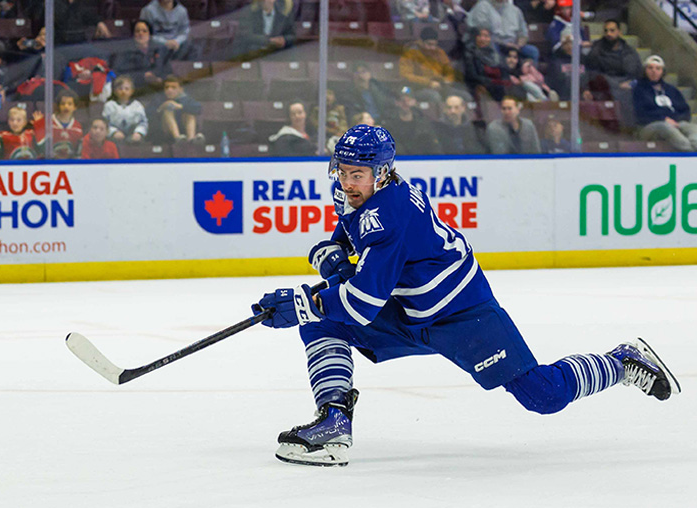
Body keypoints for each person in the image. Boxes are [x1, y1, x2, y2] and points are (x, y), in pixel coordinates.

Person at [249, 124, 680, 467]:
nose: (346, 182)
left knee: (543, 396)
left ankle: (622, 361)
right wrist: (335, 252)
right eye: (341, 171)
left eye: (356, 174)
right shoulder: (365, 193)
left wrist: (306, 298)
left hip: (463, 316)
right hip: (409, 309)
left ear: (381, 173)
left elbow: (361, 304)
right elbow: (350, 229)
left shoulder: (391, 215)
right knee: (322, 324)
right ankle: (334, 423)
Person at [632, 55, 697, 151]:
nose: (654, 71)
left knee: (692, 128)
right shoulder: (638, 89)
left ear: (662, 71)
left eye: (658, 68)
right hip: (648, 125)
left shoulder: (671, 90)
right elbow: (640, 113)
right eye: (650, 68)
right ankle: (690, 152)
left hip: (675, 122)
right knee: (665, 127)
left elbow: (685, 110)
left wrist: (675, 120)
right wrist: (663, 119)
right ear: (645, 70)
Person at [399, 27, 457, 106]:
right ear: (420, 42)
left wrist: (447, 80)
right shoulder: (410, 53)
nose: (432, 48)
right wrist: (428, 83)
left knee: (462, 96)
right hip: (418, 88)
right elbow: (406, 75)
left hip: (440, 86)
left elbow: (448, 70)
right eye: (429, 44)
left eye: (434, 45)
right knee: (434, 96)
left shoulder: (439, 52)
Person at [466, 0, 538, 62]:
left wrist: (518, 45)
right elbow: (481, 34)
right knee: (492, 48)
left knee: (533, 51)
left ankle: (530, 77)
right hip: (494, 43)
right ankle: (503, 77)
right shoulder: (482, 7)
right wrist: (504, 44)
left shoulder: (516, 11)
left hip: (514, 46)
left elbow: (523, 34)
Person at [585, 20, 643, 91]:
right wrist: (616, 85)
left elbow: (636, 73)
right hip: (604, 87)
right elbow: (591, 72)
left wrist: (630, 83)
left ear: (619, 32)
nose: (608, 34)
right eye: (606, 31)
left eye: (612, 30)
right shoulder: (596, 50)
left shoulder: (629, 51)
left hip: (626, 86)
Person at [110, 20, 167, 88]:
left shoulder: (158, 48)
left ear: (150, 34)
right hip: (133, 88)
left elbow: (167, 70)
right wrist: (143, 76)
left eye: (144, 31)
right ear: (133, 35)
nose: (141, 33)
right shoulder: (124, 50)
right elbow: (116, 72)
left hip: (157, 87)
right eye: (137, 31)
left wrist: (159, 79)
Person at [387, 87, 443, 154]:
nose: (406, 103)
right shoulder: (389, 125)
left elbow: (434, 147)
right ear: (397, 103)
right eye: (402, 100)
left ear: (414, 101)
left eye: (409, 100)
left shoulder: (424, 124)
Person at [152, 75, 202, 145]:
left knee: (189, 114)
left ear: (181, 89)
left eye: (173, 87)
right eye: (167, 87)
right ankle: (177, 138)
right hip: (165, 131)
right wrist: (162, 107)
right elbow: (150, 114)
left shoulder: (186, 99)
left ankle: (191, 139)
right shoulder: (158, 99)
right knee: (168, 110)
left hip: (183, 129)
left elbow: (198, 109)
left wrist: (180, 106)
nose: (169, 90)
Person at [103, 76, 149, 144]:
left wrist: (138, 132)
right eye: (120, 89)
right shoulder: (109, 105)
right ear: (115, 91)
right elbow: (105, 123)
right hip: (115, 136)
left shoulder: (137, 105)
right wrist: (114, 132)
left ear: (132, 91)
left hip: (133, 135)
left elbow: (143, 122)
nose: (123, 91)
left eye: (126, 89)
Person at [49, 89, 84, 158]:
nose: (66, 106)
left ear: (75, 107)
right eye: (63, 104)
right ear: (58, 106)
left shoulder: (78, 128)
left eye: (69, 104)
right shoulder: (48, 123)